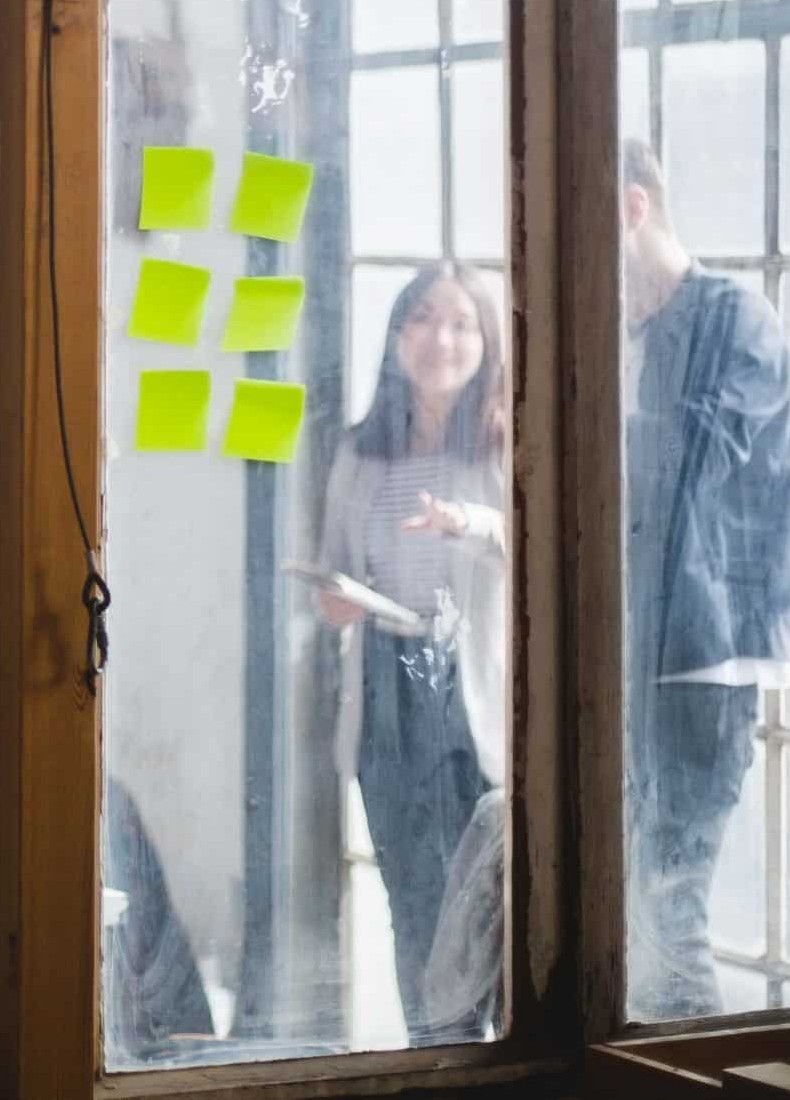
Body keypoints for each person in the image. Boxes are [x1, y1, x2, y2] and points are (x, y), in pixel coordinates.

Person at [619, 139, 790, 1022]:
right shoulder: (635, 333)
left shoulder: (737, 319)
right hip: (633, 650)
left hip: (703, 662)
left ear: (631, 207)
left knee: (668, 910)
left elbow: (696, 464)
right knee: (628, 913)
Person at [312, 262, 510, 1043]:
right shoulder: (363, 449)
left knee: (480, 903)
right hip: (385, 682)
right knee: (411, 896)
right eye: (424, 318)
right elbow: (334, 564)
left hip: (473, 690)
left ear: (486, 342)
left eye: (462, 322)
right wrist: (333, 599)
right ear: (397, 335)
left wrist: (469, 523)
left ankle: (486, 1056)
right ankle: (433, 1060)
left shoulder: (504, 441)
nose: (441, 337)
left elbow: (547, 551)